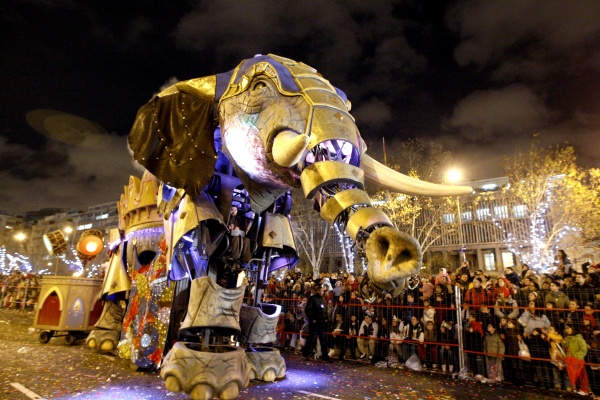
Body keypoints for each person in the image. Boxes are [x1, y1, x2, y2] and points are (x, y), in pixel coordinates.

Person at [302, 284, 331, 362]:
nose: (321, 292)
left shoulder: (323, 299)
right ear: (317, 290)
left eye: (322, 291)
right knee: (311, 339)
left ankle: (325, 356)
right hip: (315, 322)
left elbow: (325, 310)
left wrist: (326, 318)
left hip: (322, 322)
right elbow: (308, 310)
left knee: (323, 340)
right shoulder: (312, 299)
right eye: (320, 290)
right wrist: (312, 319)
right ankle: (306, 353)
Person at [562, 324, 590, 395]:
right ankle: (577, 388)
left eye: (568, 328)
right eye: (566, 328)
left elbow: (583, 349)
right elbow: (566, 346)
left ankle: (584, 390)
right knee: (574, 374)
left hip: (578, 360)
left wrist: (575, 356)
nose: (566, 330)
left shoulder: (579, 339)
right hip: (571, 360)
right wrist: (564, 344)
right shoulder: (568, 338)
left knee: (582, 374)